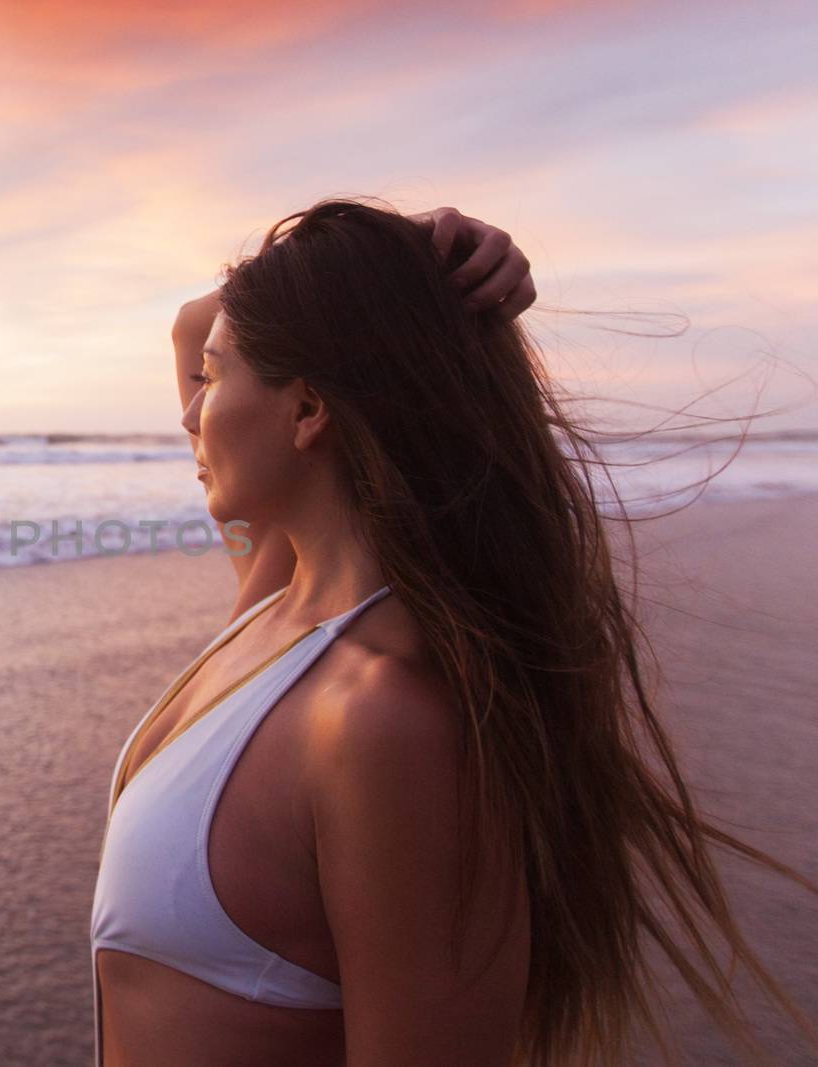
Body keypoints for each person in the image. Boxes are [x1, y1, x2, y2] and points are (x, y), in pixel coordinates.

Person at [89, 199, 818, 1066]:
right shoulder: (275, 599)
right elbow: (193, 325)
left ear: (309, 408)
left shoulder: (383, 724)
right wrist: (413, 259)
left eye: (213, 381)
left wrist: (382, 275)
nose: (188, 414)